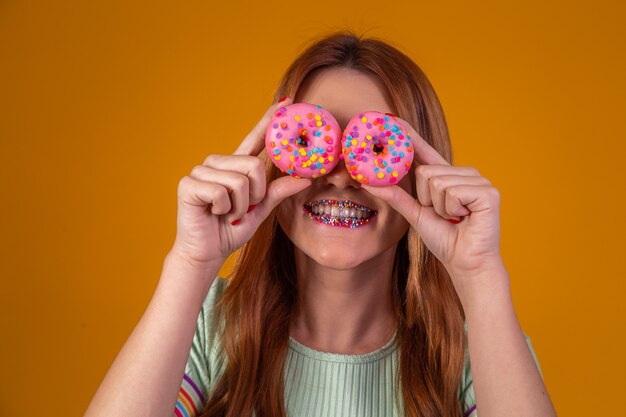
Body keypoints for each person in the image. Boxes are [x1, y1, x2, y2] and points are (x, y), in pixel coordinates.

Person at [84, 31, 557, 417]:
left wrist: (479, 275)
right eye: (318, 141)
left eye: (370, 147)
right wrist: (189, 263)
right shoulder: (205, 330)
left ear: (423, 174)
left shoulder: (476, 351)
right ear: (270, 158)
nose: (339, 176)